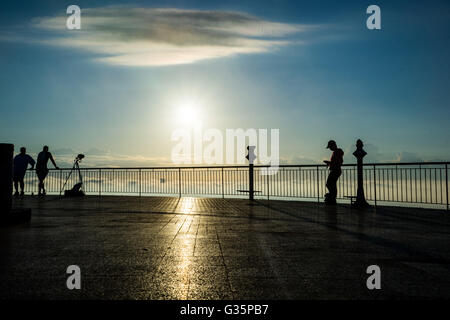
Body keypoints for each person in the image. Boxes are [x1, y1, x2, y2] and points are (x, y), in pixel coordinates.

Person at [323, 140, 344, 204]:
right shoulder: (336, 152)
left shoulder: (336, 152)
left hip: (335, 170)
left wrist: (329, 162)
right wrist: (329, 163)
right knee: (332, 184)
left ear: (333, 146)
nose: (330, 149)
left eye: (330, 147)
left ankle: (332, 198)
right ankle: (332, 198)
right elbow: (337, 162)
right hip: (336, 170)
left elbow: (338, 162)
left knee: (329, 184)